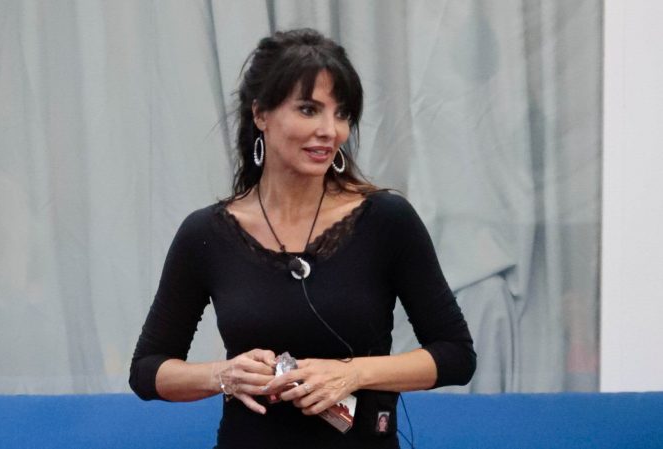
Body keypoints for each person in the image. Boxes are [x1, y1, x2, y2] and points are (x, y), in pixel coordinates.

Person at [129, 28, 476, 449]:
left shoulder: (386, 220)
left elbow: (456, 355)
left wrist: (352, 373)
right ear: (261, 114)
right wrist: (222, 375)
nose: (331, 130)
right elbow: (147, 371)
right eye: (309, 110)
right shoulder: (205, 234)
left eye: (342, 113)